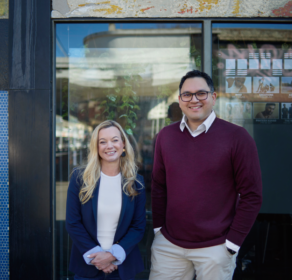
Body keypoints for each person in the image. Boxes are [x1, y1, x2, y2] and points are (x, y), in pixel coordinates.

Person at [150, 70, 262, 280]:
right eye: (187, 94)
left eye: (201, 93)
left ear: (213, 97)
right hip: (169, 247)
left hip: (216, 248)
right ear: (180, 100)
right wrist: (158, 231)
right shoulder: (165, 136)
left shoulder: (237, 137)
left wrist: (232, 243)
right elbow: (158, 186)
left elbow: (252, 195)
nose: (194, 100)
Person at [66, 120, 146, 280]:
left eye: (115, 140)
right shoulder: (79, 178)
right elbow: (73, 223)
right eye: (102, 142)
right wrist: (98, 258)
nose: (109, 146)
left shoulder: (136, 182)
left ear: (123, 144)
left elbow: (138, 227)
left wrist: (112, 256)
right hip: (87, 267)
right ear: (96, 147)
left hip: (122, 267)